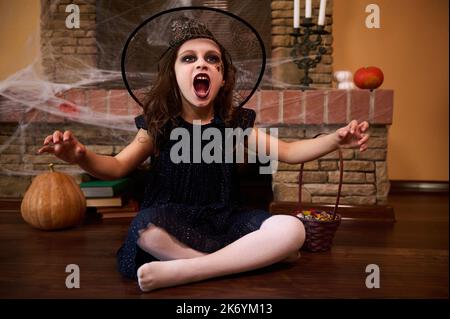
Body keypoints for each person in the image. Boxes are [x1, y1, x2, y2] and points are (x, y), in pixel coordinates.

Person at [37, 15, 369, 292]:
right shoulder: (159, 126)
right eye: (189, 58)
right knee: (144, 227)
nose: (202, 64)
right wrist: (80, 155)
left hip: (226, 219)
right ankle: (239, 260)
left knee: (292, 229)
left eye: (212, 59)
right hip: (172, 219)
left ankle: (191, 269)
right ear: (175, 74)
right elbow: (116, 167)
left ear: (223, 79)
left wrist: (335, 140)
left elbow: (291, 151)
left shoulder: (234, 124)